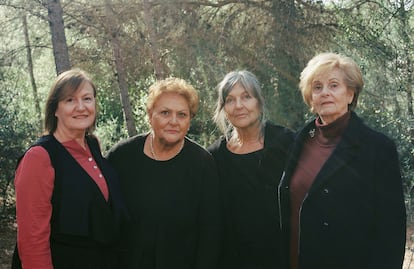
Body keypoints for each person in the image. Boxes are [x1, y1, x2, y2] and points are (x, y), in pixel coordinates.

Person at [278, 52, 406, 269]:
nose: (325, 93)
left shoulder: (377, 148)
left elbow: (391, 232)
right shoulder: (299, 141)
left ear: (350, 93)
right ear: (310, 97)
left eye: (334, 85)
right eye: (317, 87)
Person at [12, 69, 127, 269]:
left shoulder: (92, 146)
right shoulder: (39, 157)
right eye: (70, 100)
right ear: (55, 109)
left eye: (87, 98)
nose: (81, 107)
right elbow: (32, 240)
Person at [106, 77, 221, 269]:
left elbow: (211, 234)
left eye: (182, 115)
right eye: (165, 112)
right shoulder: (121, 157)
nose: (173, 121)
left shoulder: (202, 163)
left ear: (190, 121)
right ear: (150, 115)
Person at [207, 70, 294, 269]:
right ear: (223, 108)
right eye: (230, 100)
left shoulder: (287, 143)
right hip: (233, 261)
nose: (239, 106)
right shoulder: (214, 157)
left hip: (282, 259)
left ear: (259, 102)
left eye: (246, 97)